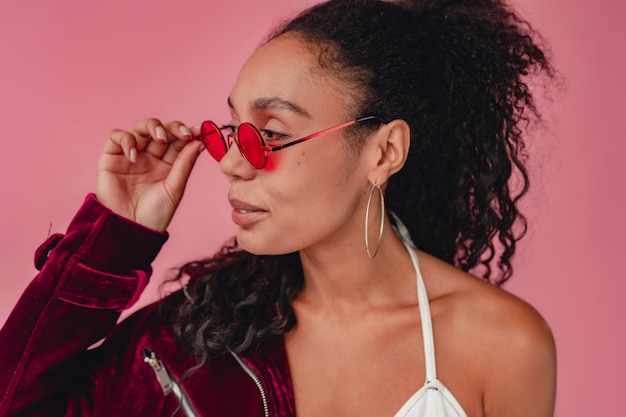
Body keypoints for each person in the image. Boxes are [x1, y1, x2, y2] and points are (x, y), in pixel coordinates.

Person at [0, 0, 557, 416]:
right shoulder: (190, 339)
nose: (232, 164)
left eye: (270, 133)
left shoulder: (504, 345)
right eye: (231, 131)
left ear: (383, 151)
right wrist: (115, 240)